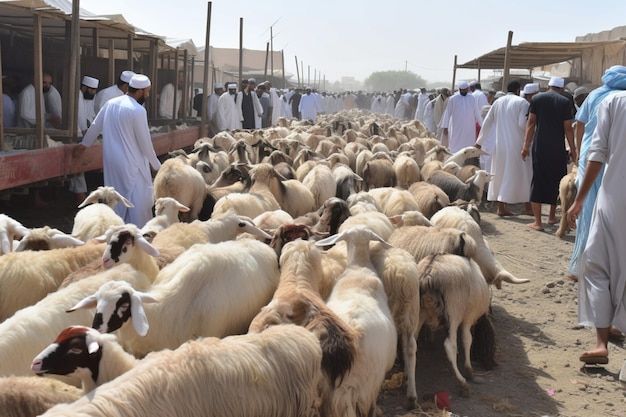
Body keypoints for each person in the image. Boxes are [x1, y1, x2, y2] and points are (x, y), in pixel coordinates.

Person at [566, 88, 626, 368]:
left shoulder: (613, 101)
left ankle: (601, 342)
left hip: (613, 198)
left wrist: (579, 200)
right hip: (612, 199)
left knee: (597, 266)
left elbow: (597, 153)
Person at [566, 66, 626, 283]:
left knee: (587, 213)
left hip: (591, 158)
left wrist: (581, 150)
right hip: (615, 162)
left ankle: (579, 267)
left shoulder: (596, 94)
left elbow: (579, 125)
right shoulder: (621, 98)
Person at [76, 74, 161, 228]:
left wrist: (84, 145)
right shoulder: (138, 110)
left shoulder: (110, 103)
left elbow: (95, 126)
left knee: (115, 199)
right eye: (147, 92)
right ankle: (137, 233)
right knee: (138, 203)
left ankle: (114, 229)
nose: (148, 95)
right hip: (132, 163)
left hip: (112, 161)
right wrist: (158, 166)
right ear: (140, 91)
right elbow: (145, 143)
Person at [522, 76, 576, 231]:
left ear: (549, 87)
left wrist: (525, 147)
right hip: (557, 148)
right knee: (557, 181)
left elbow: (531, 123)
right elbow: (568, 129)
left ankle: (538, 222)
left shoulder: (537, 99)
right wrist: (573, 151)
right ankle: (552, 217)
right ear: (561, 89)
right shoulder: (565, 102)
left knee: (538, 180)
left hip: (540, 147)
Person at [476, 80, 533, 216]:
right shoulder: (522, 103)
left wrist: (479, 142)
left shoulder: (497, 102)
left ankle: (501, 208)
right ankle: (528, 207)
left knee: (500, 174)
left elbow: (487, 123)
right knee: (526, 174)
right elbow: (522, 124)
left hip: (500, 145)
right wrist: (531, 134)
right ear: (519, 90)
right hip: (518, 144)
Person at [69, 75, 99, 204]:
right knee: (78, 162)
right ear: (84, 87)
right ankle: (79, 194)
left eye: (94, 90)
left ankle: (81, 193)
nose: (93, 92)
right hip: (75, 132)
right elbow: (80, 116)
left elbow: (90, 114)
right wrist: (85, 131)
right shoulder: (77, 95)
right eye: (91, 90)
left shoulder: (89, 97)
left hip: (84, 132)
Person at [440, 81, 483, 153]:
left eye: (465, 89)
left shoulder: (472, 98)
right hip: (457, 127)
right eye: (463, 90)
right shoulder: (453, 99)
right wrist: (445, 127)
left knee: (469, 144)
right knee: (455, 144)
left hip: (469, 127)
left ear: (467, 89)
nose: (464, 91)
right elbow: (448, 113)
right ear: (459, 90)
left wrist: (482, 125)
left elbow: (477, 112)